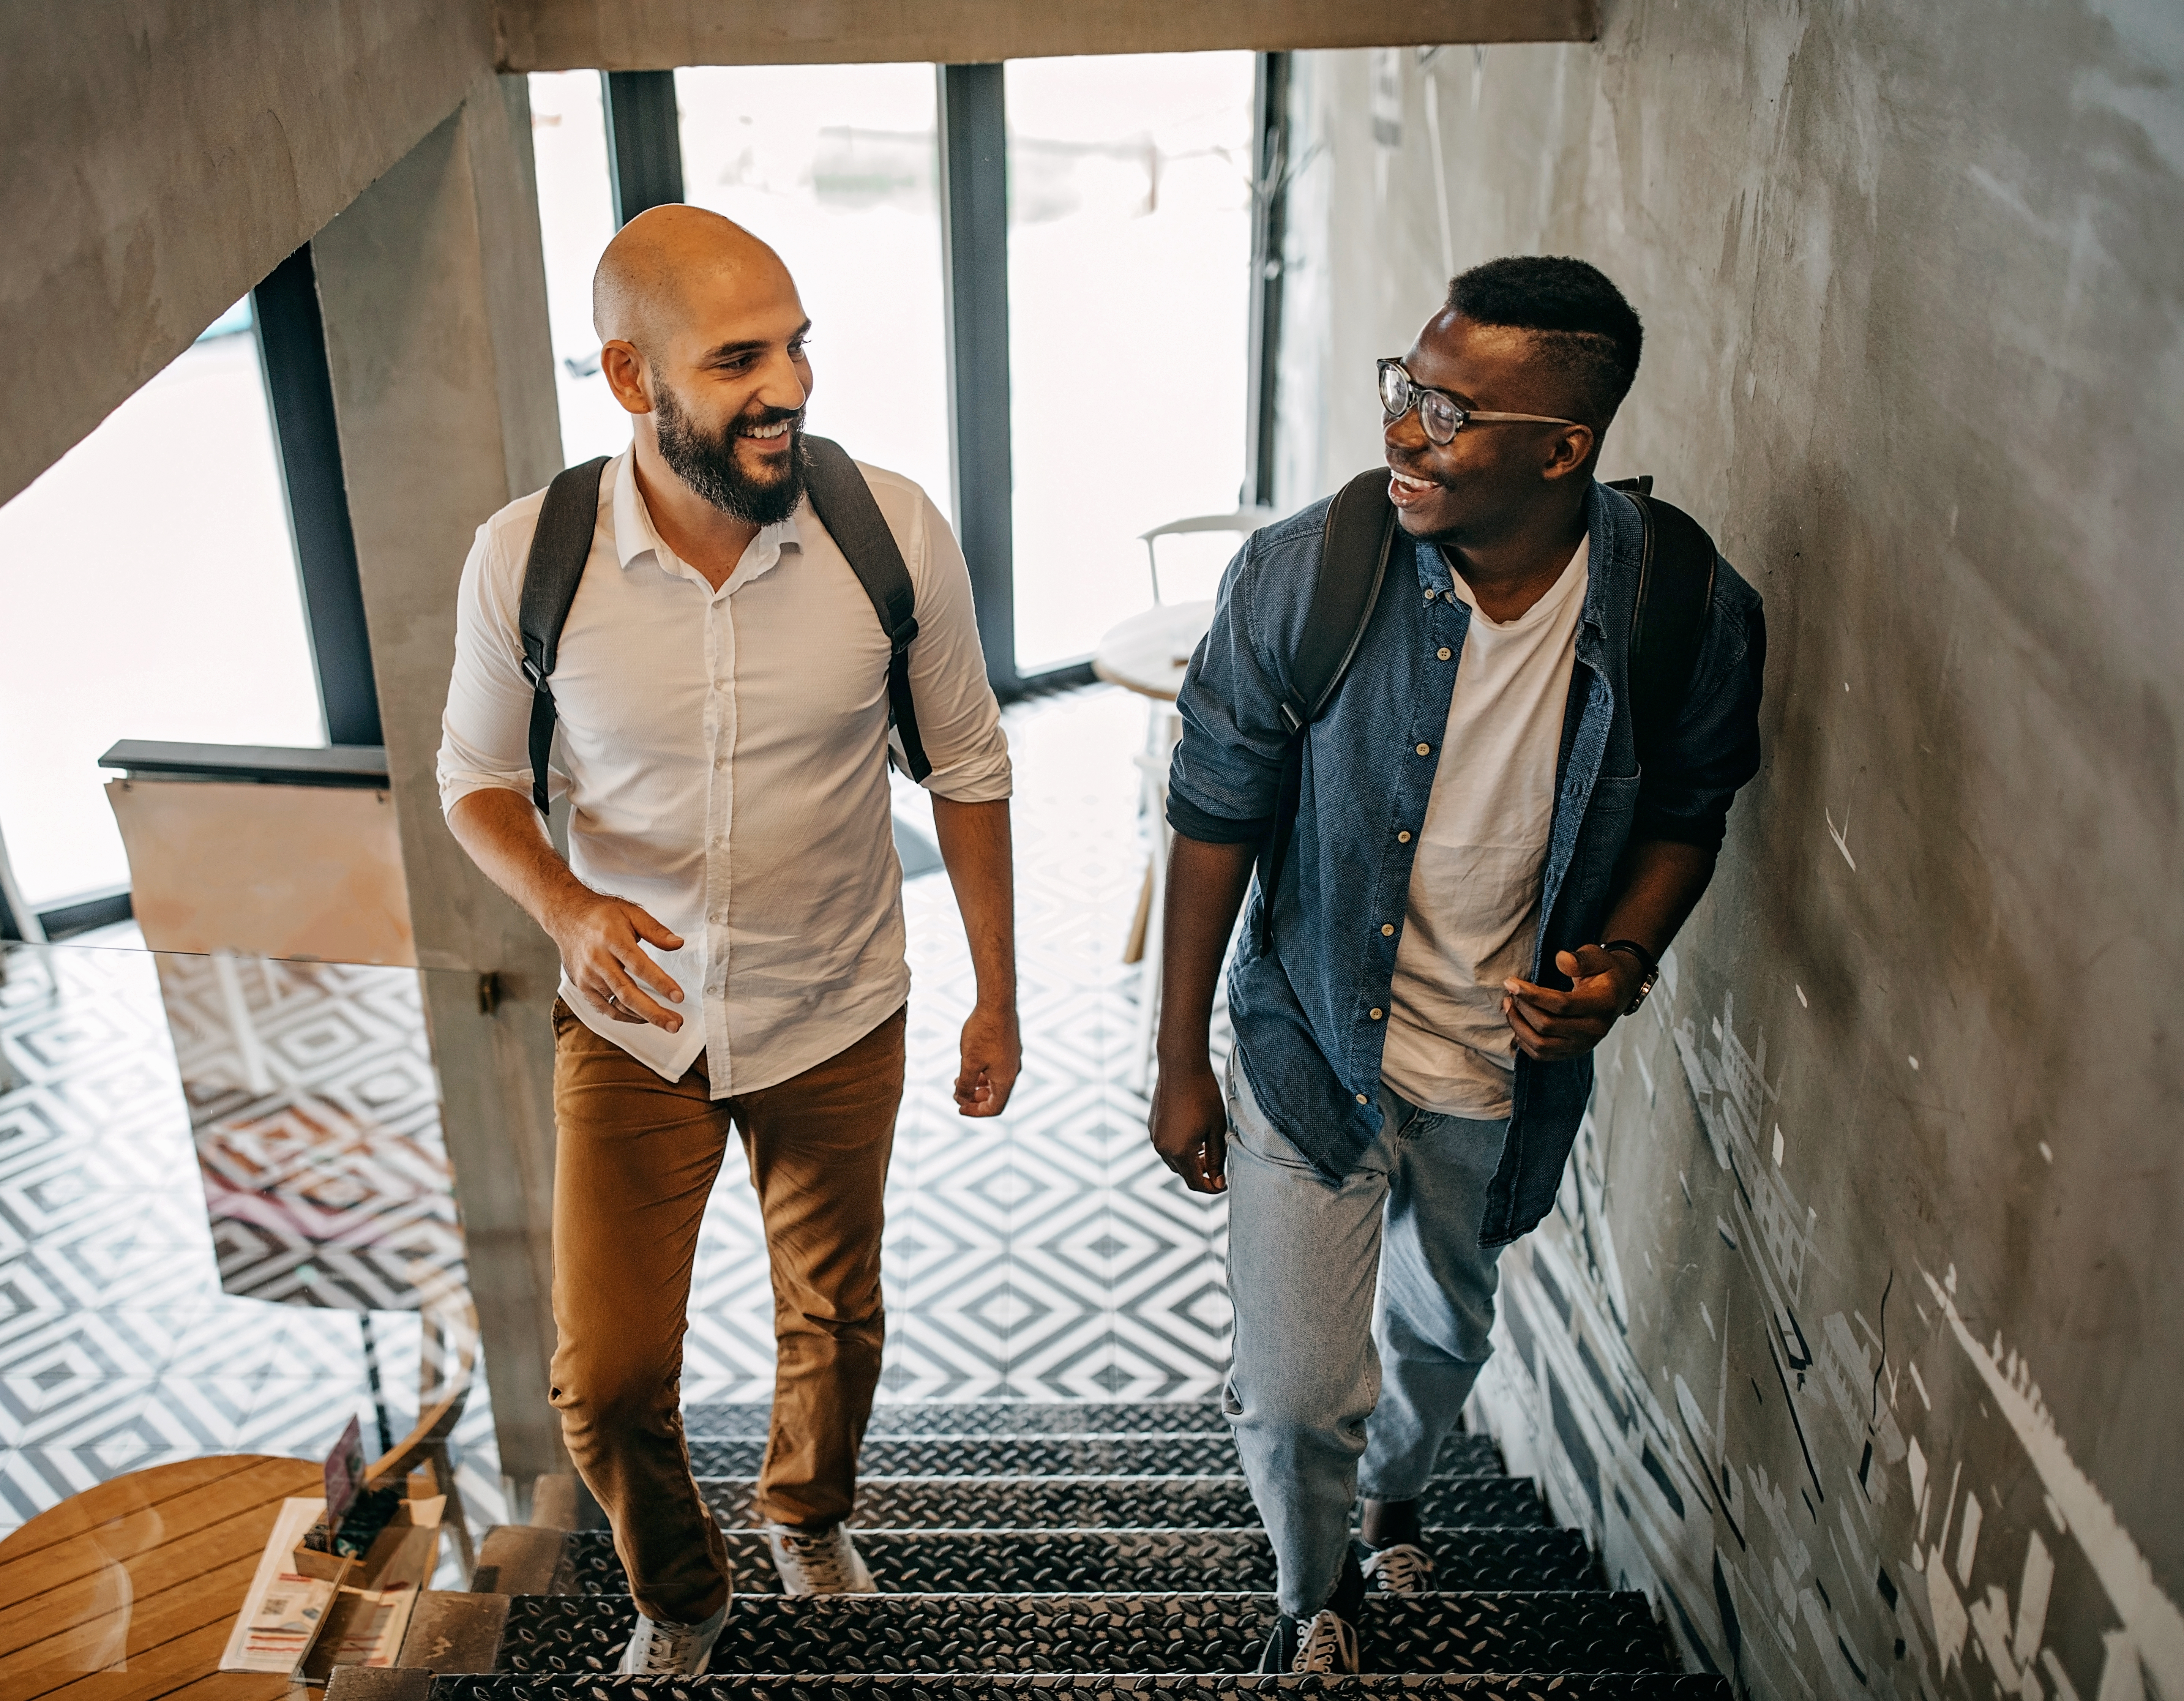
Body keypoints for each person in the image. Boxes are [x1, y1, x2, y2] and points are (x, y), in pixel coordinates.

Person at [1147, 256, 1764, 1672]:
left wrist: (1623, 960)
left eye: (1448, 409)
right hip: (1312, 1045)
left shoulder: (1684, 608)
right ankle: (1317, 1603)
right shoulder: (1309, 573)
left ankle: (1400, 1496)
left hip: (1501, 1078)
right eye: (1405, 388)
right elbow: (1213, 811)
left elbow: (1689, 814)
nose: (1404, 430)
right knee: (1299, 1393)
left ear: (1564, 448)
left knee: (1436, 1345)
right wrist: (1183, 1058)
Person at [437, 206, 1020, 1675]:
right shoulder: (528, 558)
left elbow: (969, 766)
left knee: (837, 1308)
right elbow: (476, 784)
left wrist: (996, 998)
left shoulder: (889, 532)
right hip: (637, 1028)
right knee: (606, 1378)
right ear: (634, 379)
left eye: (800, 345)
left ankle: (809, 1515)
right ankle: (682, 1597)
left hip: (837, 1006)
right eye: (741, 359)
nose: (792, 387)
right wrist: (567, 908)